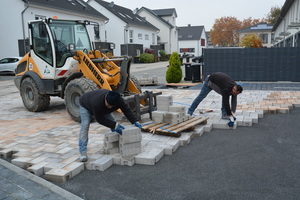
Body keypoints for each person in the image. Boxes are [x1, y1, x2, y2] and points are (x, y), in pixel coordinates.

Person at [78, 89, 142, 162]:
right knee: (85, 125)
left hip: (101, 107)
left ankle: (115, 144)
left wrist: (135, 121)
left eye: (112, 106)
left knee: (113, 122)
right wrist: (114, 125)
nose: (110, 107)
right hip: (85, 104)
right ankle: (83, 152)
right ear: (105, 99)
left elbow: (126, 110)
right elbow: (100, 119)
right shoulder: (97, 103)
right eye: (108, 105)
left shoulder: (118, 99)